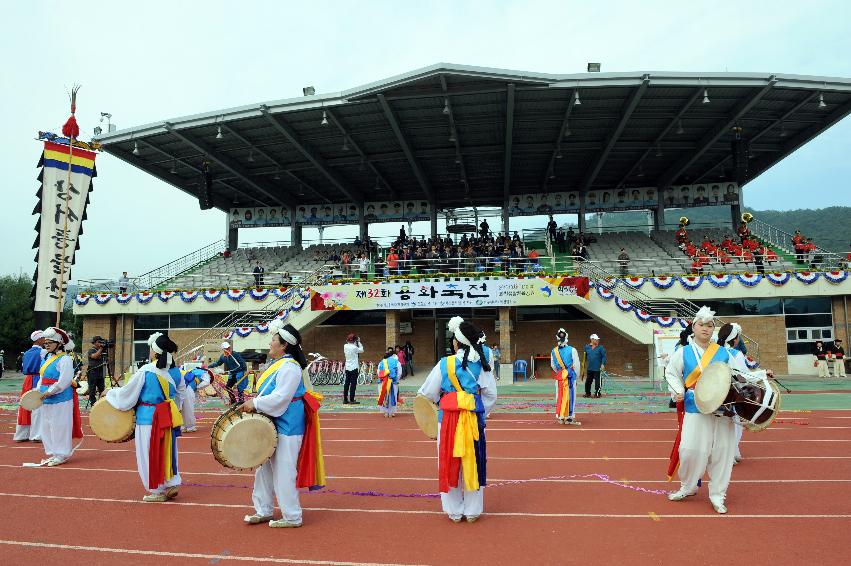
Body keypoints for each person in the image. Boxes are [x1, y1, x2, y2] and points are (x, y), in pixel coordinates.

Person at [241, 321, 325, 528]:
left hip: (288, 423)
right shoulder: (279, 364)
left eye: (273, 340)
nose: (270, 343)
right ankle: (264, 509)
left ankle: (292, 516)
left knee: (284, 470)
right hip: (274, 421)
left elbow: (281, 398)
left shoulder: (290, 367)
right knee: (264, 468)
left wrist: (256, 403)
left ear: (284, 345)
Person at [665, 306, 749, 514]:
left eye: (710, 325)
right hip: (696, 407)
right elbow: (672, 374)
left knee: (723, 453)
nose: (705, 328)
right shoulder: (682, 352)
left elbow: (741, 378)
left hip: (723, 409)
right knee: (690, 450)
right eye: (701, 324)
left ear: (713, 329)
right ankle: (688, 486)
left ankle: (718, 494)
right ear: (694, 327)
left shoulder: (725, 353)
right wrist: (677, 391)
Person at [417, 316, 497, 523]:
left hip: (448, 420)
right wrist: (480, 411)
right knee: (474, 462)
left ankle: (453, 511)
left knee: (448, 461)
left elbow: (426, 394)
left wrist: (433, 419)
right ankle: (472, 511)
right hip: (473, 419)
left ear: (456, 343)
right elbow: (490, 395)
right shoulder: (481, 363)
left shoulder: (444, 364)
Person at [105, 332, 184, 502]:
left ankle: (156, 490)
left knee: (149, 453)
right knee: (167, 451)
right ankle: (171, 482)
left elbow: (127, 395)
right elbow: (179, 398)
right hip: (167, 417)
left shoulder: (146, 371)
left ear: (155, 352)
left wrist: (110, 393)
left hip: (148, 418)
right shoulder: (173, 374)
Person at [33, 327, 83, 467]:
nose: (46, 344)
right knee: (47, 426)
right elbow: (42, 378)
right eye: (46, 342)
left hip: (60, 399)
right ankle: (54, 452)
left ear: (59, 343)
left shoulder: (65, 359)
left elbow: (65, 381)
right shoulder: (47, 357)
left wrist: (50, 391)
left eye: (50, 342)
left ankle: (62, 454)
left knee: (59, 426)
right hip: (45, 398)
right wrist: (37, 391)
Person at [14, 331, 46, 442]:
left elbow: (23, 368)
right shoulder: (43, 352)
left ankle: (21, 434)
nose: (45, 340)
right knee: (37, 407)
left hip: (28, 379)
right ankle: (37, 435)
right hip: (38, 379)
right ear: (38, 339)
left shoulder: (26, 353)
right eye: (43, 338)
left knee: (25, 405)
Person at [550, 328, 581, 425]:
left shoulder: (553, 351)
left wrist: (560, 372)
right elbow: (576, 365)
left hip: (559, 377)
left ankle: (561, 417)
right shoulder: (572, 350)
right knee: (571, 396)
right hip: (570, 377)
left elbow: (553, 366)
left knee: (559, 396)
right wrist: (576, 376)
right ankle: (569, 417)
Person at [180, 365, 211, 432]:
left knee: (181, 407)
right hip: (189, 388)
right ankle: (190, 427)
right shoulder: (205, 373)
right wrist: (197, 387)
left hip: (180, 387)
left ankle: (182, 426)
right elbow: (206, 382)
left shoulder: (192, 371)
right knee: (189, 408)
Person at [376, 348, 401, 417]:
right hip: (392, 381)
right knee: (393, 396)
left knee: (384, 395)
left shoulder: (382, 362)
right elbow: (399, 373)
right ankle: (391, 412)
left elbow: (378, 372)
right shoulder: (397, 362)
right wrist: (396, 380)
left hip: (383, 381)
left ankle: (386, 412)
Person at [86, 336, 108, 407]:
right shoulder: (91, 350)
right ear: (94, 343)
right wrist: (101, 348)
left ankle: (102, 403)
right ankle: (93, 404)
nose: (100, 343)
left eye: (101, 342)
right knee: (92, 389)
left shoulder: (102, 350)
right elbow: (95, 356)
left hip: (100, 371)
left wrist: (103, 349)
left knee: (102, 388)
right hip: (92, 371)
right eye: (99, 342)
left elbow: (106, 359)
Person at [583, 334, 607, 398]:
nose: (597, 340)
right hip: (590, 368)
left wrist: (603, 364)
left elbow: (604, 357)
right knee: (588, 381)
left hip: (598, 368)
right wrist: (583, 363)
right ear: (592, 339)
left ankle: (597, 393)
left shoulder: (600, 348)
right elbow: (585, 356)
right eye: (596, 339)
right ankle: (587, 393)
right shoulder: (587, 347)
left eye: (598, 339)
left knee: (598, 382)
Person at [343, 333, 363, 404]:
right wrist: (359, 342)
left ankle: (345, 399)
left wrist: (355, 341)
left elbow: (350, 344)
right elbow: (361, 350)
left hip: (347, 367)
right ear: (354, 340)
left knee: (347, 383)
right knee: (353, 384)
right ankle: (351, 399)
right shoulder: (355, 347)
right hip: (354, 367)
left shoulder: (345, 346)